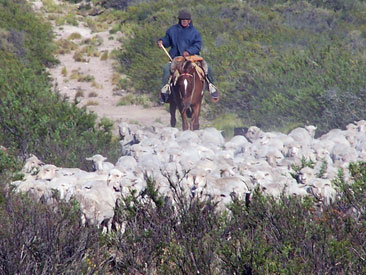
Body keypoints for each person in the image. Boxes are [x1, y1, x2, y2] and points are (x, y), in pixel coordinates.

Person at [157, 9, 219, 103]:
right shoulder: (172, 30)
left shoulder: (195, 32)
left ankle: (212, 87)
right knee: (166, 69)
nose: (184, 21)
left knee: (207, 67)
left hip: (192, 58)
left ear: (189, 20)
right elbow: (167, 40)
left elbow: (197, 45)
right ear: (179, 20)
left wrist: (188, 51)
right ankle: (165, 91)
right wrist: (162, 41)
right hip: (176, 59)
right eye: (182, 20)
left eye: (186, 20)